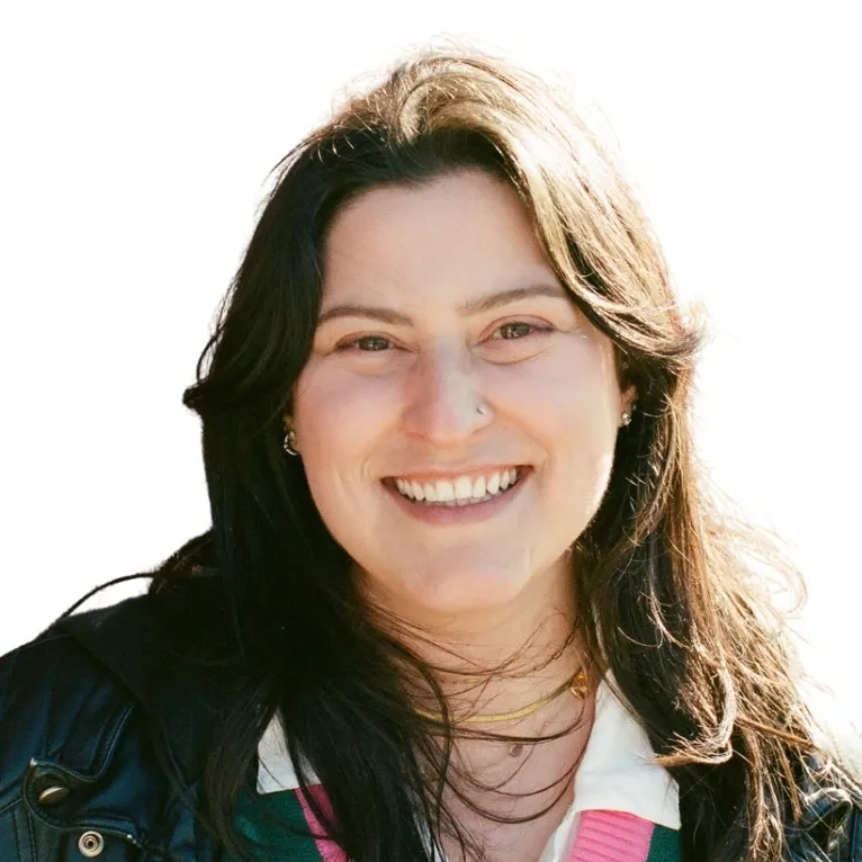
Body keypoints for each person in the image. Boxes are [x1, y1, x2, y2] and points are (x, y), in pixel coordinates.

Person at [0, 45, 860, 862]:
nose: (445, 417)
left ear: (627, 375)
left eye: (515, 329)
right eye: (370, 343)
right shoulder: (41, 753)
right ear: (285, 403)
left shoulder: (816, 816)